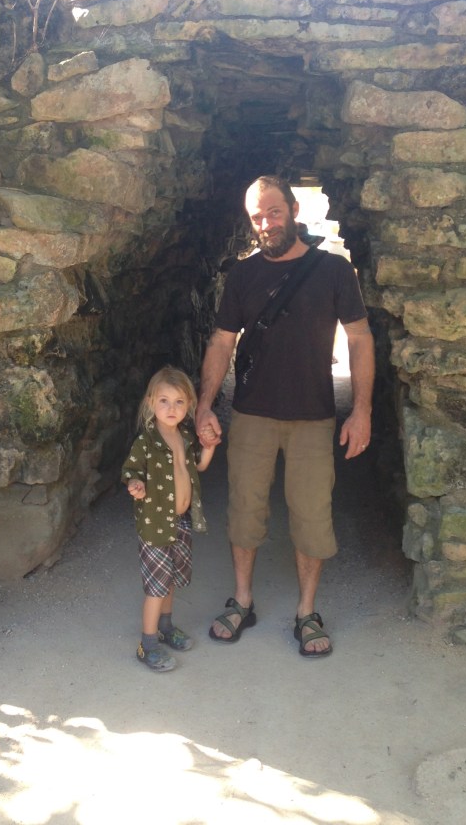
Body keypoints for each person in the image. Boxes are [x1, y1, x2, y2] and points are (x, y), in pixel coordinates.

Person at [195, 175, 374, 657]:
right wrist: (205, 403)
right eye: (257, 217)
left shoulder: (333, 271)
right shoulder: (243, 275)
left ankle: (306, 611)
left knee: (312, 515)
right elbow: (221, 341)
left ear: (293, 209)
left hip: (314, 416)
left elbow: (359, 338)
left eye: (274, 212)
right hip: (252, 412)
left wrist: (361, 410)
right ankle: (243, 599)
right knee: (245, 510)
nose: (266, 223)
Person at [121, 366, 215, 672]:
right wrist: (136, 486)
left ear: (188, 404)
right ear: (150, 402)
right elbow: (132, 471)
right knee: (156, 587)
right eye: (164, 401)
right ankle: (147, 644)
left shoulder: (185, 436)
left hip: (181, 521)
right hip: (155, 524)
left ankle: (166, 626)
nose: (171, 408)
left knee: (171, 578)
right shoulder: (146, 441)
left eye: (178, 402)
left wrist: (210, 448)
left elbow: (198, 467)